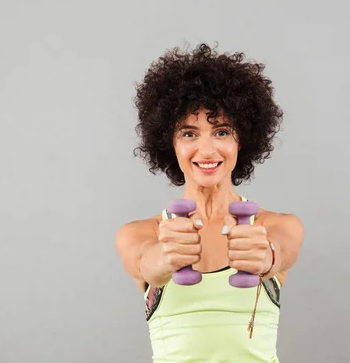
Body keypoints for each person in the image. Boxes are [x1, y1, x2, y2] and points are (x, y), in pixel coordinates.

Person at [115, 43, 305, 362]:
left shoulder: (277, 226)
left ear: (241, 140)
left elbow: (281, 251)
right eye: (189, 134)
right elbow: (145, 262)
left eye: (221, 132)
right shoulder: (140, 233)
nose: (206, 150)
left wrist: (268, 257)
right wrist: (165, 256)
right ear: (169, 143)